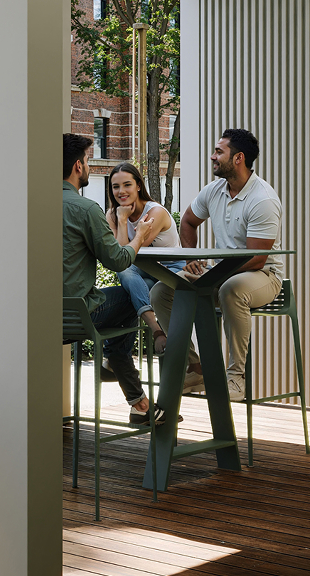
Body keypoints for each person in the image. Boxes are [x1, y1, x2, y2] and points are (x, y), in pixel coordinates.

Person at [150, 128, 282, 403]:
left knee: (231, 289)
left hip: (262, 275)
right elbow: (187, 221)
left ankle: (236, 378)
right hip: (222, 274)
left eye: (219, 151)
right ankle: (194, 366)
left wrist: (215, 275)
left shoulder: (263, 199)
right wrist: (192, 258)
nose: (212, 156)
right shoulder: (214, 190)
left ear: (238, 159)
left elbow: (256, 258)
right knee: (162, 291)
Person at [61, 134, 154, 423]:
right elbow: (118, 260)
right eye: (88, 161)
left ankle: (136, 398)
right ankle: (120, 369)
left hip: (35, 316)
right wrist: (138, 237)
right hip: (76, 316)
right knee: (131, 293)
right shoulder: (85, 209)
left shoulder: (30, 204)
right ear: (78, 166)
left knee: (122, 296)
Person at [105, 161, 176, 345]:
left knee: (127, 285)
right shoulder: (113, 215)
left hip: (170, 272)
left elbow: (125, 255)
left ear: (138, 185)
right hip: (144, 273)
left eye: (127, 184)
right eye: (116, 186)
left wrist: (122, 221)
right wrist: (121, 220)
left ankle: (115, 357)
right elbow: (122, 260)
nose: (121, 191)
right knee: (126, 275)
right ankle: (156, 331)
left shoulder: (155, 212)